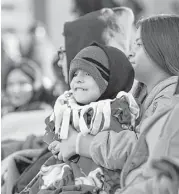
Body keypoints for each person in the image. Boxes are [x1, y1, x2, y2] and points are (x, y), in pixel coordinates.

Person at [53, 14, 179, 194]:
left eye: (139, 44)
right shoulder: (139, 92)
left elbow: (140, 148)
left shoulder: (171, 99)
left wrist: (79, 143)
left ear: (163, 47)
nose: (130, 52)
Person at [38, 42, 140, 193]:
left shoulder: (114, 112)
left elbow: (117, 149)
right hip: (70, 173)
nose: (78, 79)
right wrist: (60, 144)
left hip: (100, 180)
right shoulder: (69, 107)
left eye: (88, 73)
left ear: (111, 80)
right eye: (75, 74)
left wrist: (75, 144)